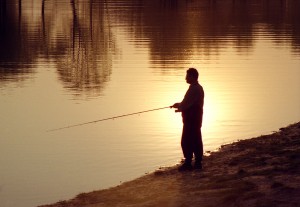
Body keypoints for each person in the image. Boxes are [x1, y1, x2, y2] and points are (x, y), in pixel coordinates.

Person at [172, 68, 204, 171]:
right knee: (195, 139)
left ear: (192, 77)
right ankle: (197, 162)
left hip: (192, 119)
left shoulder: (194, 89)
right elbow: (187, 102)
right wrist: (179, 105)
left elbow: (187, 104)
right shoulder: (196, 87)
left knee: (186, 141)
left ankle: (189, 163)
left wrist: (179, 108)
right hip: (195, 118)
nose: (185, 78)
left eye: (187, 76)